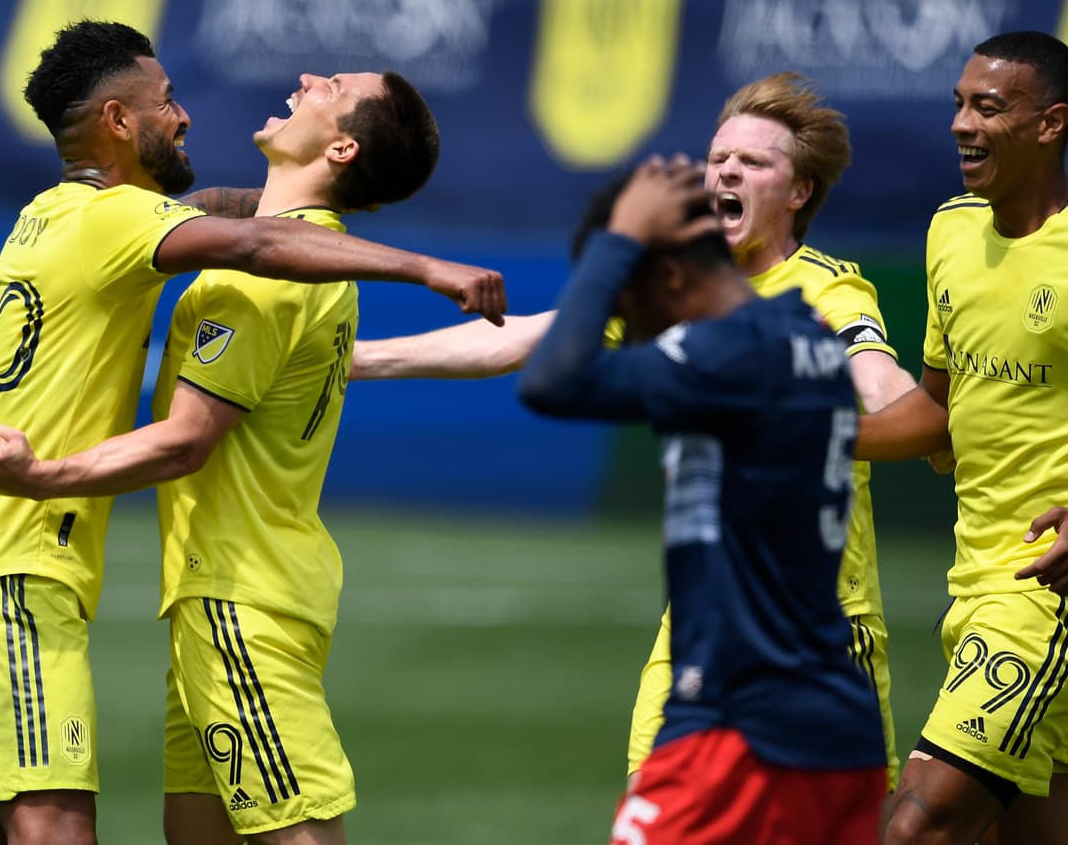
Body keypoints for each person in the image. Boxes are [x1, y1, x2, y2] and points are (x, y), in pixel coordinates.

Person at [0, 19, 505, 845]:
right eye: (168, 101)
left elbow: (240, 223)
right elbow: (254, 234)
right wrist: (427, 264)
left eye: (332, 88)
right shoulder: (145, 232)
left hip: (190, 587)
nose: (184, 117)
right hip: (36, 561)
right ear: (118, 121)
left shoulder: (60, 211)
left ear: (340, 150)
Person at [350, 72, 916, 790]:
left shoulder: (827, 290)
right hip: (700, 625)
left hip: (819, 625)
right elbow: (524, 340)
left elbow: (883, 385)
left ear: (799, 192)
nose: (727, 172)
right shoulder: (676, 287)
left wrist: (831, 425)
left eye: (754, 162)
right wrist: (355, 359)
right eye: (718, 160)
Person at [518, 157, 888, 844]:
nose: (633, 336)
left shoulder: (728, 357)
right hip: (835, 726)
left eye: (631, 312)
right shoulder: (804, 337)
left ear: (669, 275)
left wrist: (619, 238)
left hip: (740, 723)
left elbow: (551, 382)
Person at [854, 31, 1068, 845]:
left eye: (988, 106)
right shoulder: (951, 232)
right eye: (957, 104)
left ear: (1051, 125)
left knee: (916, 824)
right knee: (1028, 832)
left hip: (1060, 590)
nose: (960, 125)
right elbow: (938, 413)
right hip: (975, 579)